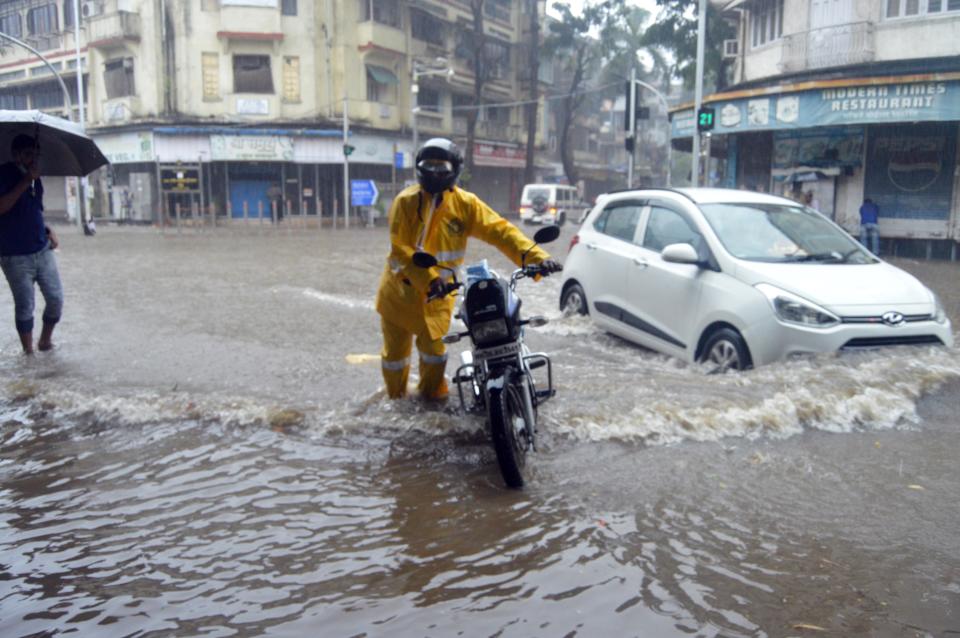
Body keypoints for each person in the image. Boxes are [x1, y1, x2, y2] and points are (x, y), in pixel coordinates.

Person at [375, 138, 561, 400]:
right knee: (394, 358)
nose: (435, 173)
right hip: (398, 295)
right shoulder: (404, 202)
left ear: (454, 169)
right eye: (429, 166)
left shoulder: (466, 205)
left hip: (439, 298)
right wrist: (430, 279)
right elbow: (401, 249)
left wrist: (536, 259)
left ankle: (430, 404)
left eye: (441, 167)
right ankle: (395, 402)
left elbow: (500, 231)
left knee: (435, 355)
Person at [0, 134, 64, 354]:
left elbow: (34, 212)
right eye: (28, 154)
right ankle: (28, 352)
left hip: (42, 249)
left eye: (35, 154)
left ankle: (45, 341)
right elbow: (2, 207)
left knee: (56, 299)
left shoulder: (37, 179)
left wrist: (48, 231)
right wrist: (26, 179)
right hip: (14, 255)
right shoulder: (4, 174)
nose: (33, 159)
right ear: (16, 155)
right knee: (26, 306)